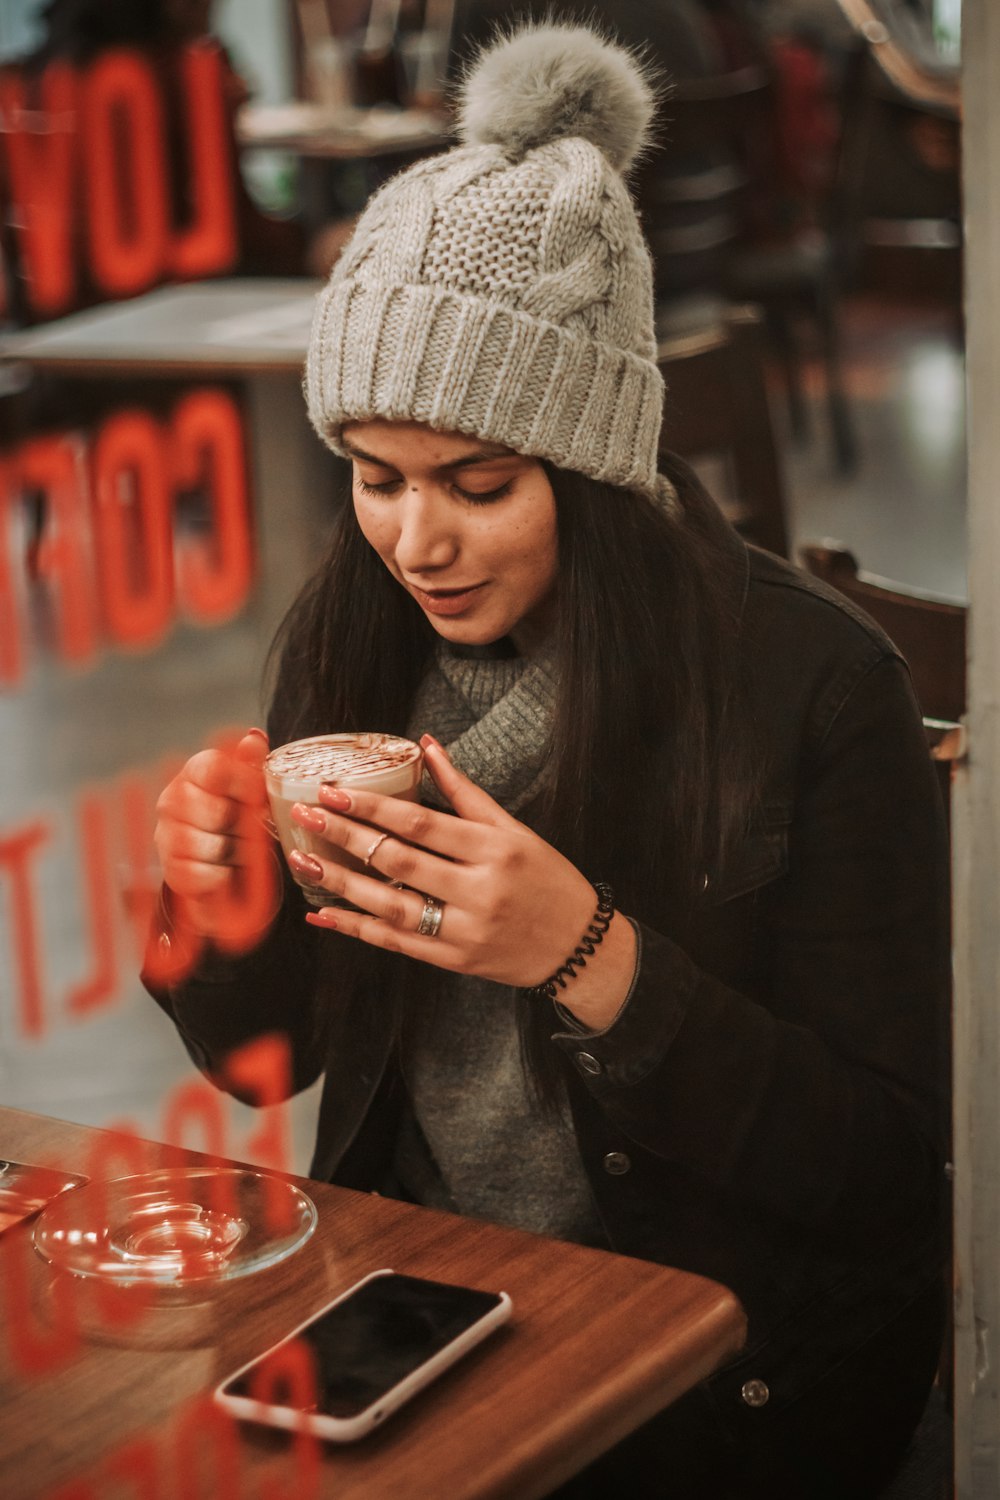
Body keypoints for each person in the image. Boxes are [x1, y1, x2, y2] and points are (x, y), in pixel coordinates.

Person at [144, 22, 950, 1498]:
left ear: (595, 467)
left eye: (478, 484)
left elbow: (887, 1173)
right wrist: (215, 915)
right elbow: (272, 1064)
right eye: (373, 478)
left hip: (725, 1368)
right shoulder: (358, 628)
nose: (415, 541)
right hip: (416, 1297)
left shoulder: (817, 688)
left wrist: (584, 956)